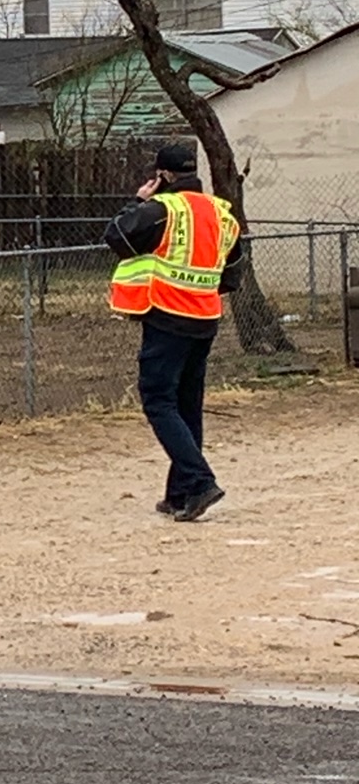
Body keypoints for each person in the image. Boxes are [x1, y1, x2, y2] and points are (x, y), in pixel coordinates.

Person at [104, 141, 244, 524]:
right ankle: (179, 494)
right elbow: (232, 272)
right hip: (206, 319)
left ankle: (200, 482)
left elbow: (117, 236)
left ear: (163, 175)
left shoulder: (162, 210)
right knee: (187, 405)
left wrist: (137, 200)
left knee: (159, 401)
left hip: (167, 317)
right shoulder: (222, 215)